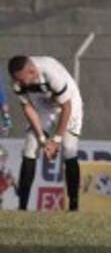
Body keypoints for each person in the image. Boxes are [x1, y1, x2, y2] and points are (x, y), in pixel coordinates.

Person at [8, 55, 84, 211]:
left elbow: (66, 107)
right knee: (30, 147)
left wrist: (56, 140)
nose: (19, 83)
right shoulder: (18, 81)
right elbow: (28, 108)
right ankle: (22, 207)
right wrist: (43, 140)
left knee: (68, 148)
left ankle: (73, 207)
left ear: (32, 71)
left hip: (69, 103)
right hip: (45, 105)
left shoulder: (51, 73)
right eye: (16, 79)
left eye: (22, 80)